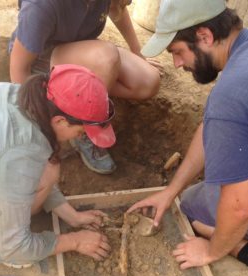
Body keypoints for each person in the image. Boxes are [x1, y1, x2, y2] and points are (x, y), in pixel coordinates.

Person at [127, 0, 248, 276]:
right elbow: (214, 127)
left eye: (177, 52)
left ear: (205, 37)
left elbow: (240, 207)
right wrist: (169, 190)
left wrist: (211, 251)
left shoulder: (233, 95)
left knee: (194, 205)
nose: (176, 64)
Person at [9, 0, 161, 175]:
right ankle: (84, 127)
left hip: (81, 50)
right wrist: (33, 123)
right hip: (43, 59)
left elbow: (116, 7)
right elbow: (19, 67)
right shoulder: (42, 5)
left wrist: (137, 51)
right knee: (106, 58)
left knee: (147, 82)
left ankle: (91, 101)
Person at [0, 64, 113, 267]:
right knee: (14, 245)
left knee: (47, 166)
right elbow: (15, 247)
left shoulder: (25, 98)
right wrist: (75, 241)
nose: (82, 137)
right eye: (81, 132)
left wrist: (73, 216)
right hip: (13, 164)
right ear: (61, 121)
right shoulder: (22, 153)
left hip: (5, 161)